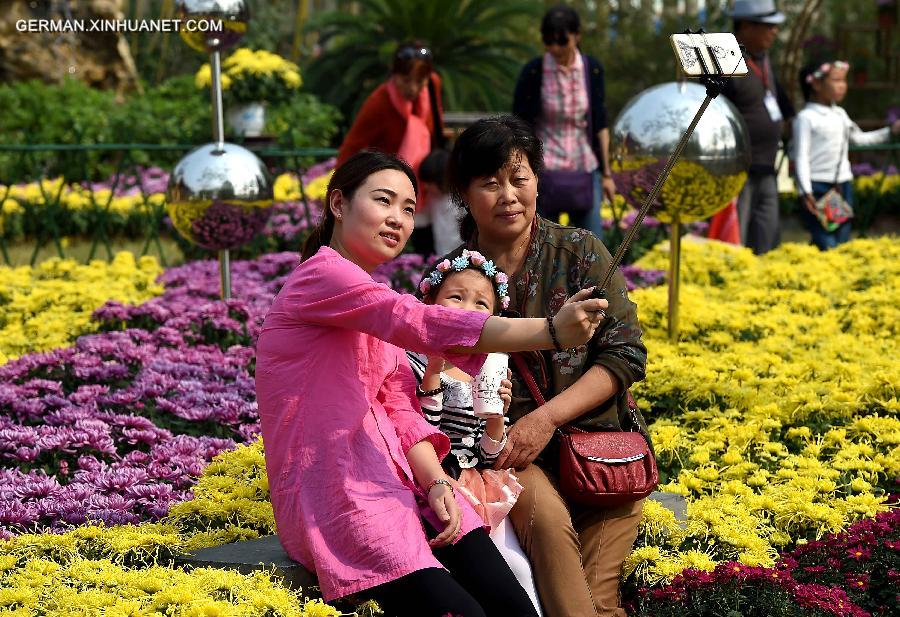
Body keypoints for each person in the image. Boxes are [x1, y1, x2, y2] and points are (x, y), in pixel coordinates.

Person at [255, 150, 608, 617]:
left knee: (514, 607)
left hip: (408, 487)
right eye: (383, 201)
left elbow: (400, 410)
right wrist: (550, 331)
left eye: (407, 208)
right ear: (338, 204)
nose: (397, 219)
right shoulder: (323, 276)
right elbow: (417, 321)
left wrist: (438, 482)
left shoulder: (367, 301)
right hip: (343, 498)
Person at [422, 115, 651, 617]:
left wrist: (545, 418)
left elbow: (624, 355)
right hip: (510, 461)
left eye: (518, 178)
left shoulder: (580, 253)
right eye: (489, 183)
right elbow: (432, 374)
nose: (508, 195)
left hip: (601, 455)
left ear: (537, 182)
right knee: (552, 543)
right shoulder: (454, 281)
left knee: (598, 599)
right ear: (463, 194)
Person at [410, 252, 543, 615]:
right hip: (436, 483)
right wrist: (433, 372)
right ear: (430, 302)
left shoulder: (489, 364)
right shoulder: (414, 360)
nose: (467, 309)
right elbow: (420, 431)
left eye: (481, 303)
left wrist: (498, 415)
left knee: (517, 570)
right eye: (456, 297)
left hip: (480, 483)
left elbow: (486, 454)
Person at [512, 4, 614, 239]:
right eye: (549, 42)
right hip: (546, 169)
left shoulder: (592, 69)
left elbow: (600, 122)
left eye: (562, 41)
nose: (556, 48)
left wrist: (607, 174)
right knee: (544, 245)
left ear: (577, 36)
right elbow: (519, 123)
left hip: (584, 166)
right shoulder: (534, 71)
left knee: (590, 245)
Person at [337, 42, 446, 255]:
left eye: (420, 81)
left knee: (432, 242)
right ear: (394, 75)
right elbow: (351, 146)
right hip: (390, 181)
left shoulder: (433, 85)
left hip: (426, 182)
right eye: (406, 80)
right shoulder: (379, 102)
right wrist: (340, 194)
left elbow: (436, 126)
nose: (414, 88)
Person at [792, 59, 900, 251]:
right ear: (816, 84)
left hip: (841, 186)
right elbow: (800, 156)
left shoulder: (840, 114)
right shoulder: (806, 118)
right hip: (817, 188)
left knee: (841, 239)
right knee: (827, 241)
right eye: (836, 80)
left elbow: (859, 140)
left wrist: (890, 131)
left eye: (844, 80)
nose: (843, 86)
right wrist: (805, 191)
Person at [723, 0, 796, 255]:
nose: (774, 31)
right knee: (735, 240)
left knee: (767, 236)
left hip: (767, 166)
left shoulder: (763, 59)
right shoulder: (726, 60)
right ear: (745, 27)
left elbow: (781, 103)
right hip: (738, 171)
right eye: (768, 26)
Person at [419, 148, 463, 255]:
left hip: (463, 253)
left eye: (430, 183)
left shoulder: (462, 198)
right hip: (442, 254)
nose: (426, 187)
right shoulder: (432, 198)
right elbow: (424, 218)